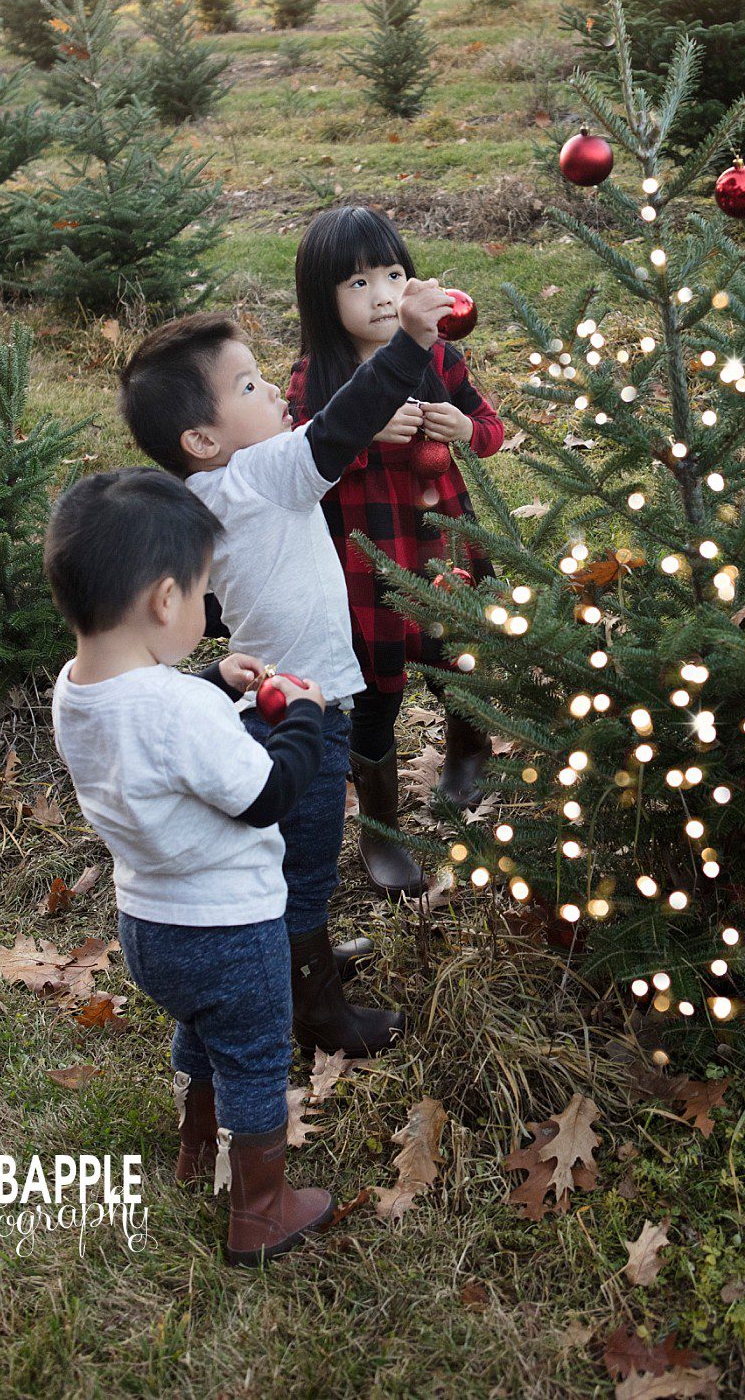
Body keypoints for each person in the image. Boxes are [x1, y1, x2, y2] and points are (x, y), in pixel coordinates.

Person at [117, 272, 453, 1048]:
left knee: (289, 851)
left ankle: (302, 958)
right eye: (247, 385)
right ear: (201, 440)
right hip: (304, 707)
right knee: (304, 864)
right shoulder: (262, 474)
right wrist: (410, 342)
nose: (272, 392)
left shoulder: (205, 493)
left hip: (262, 701)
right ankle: (316, 1006)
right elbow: (346, 424)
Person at [45, 466, 331, 1264]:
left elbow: (151, 744)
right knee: (253, 1054)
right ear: (165, 601)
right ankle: (261, 1211)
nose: (208, 611)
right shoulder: (179, 710)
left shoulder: (74, 690)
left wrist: (214, 682)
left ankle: (194, 1149)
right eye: (204, 594)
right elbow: (266, 794)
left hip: (149, 929)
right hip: (229, 931)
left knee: (199, 1035)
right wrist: (302, 720)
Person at [289, 206, 505, 899]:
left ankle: (467, 751)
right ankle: (381, 829)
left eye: (391, 274)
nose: (382, 294)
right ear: (323, 302)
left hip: (438, 543)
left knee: (458, 657)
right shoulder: (313, 379)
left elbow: (491, 427)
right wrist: (360, 435)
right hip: (361, 559)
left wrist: (465, 427)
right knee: (375, 691)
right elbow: (299, 467)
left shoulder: (439, 355)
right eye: (356, 283)